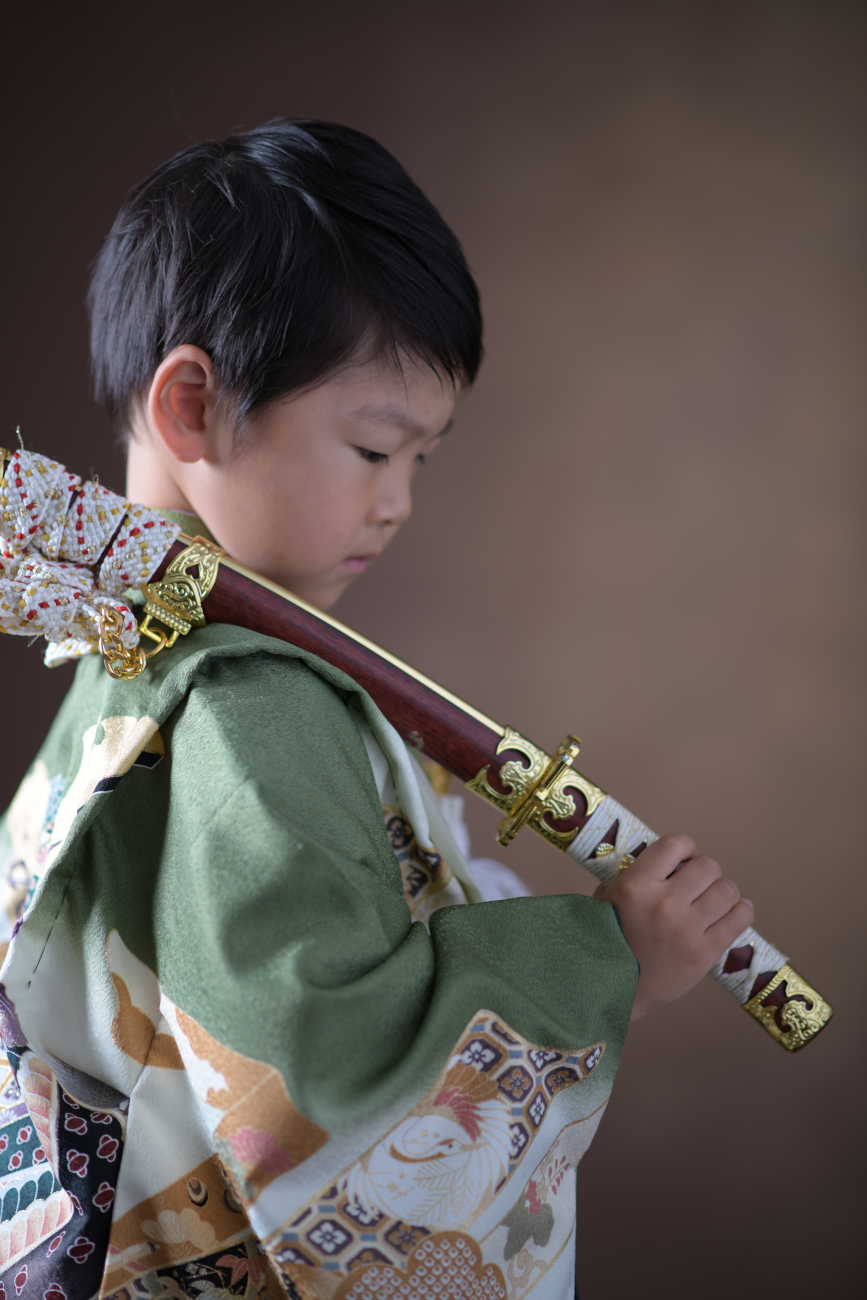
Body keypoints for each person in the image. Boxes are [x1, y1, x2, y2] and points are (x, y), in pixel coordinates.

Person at [0, 120, 753, 1300]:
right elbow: (327, 1066)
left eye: (422, 461)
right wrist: (608, 959)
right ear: (192, 407)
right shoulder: (245, 702)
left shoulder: (118, 642)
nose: (397, 503)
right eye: (371, 447)